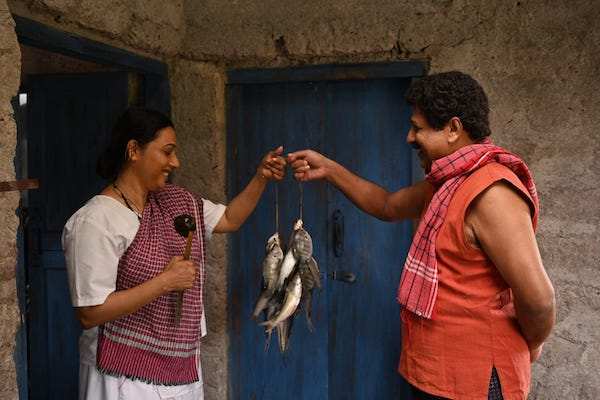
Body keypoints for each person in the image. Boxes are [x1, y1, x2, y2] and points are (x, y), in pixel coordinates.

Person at [288, 71, 555, 399]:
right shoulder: (445, 184)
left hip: (474, 380)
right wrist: (330, 169)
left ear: (454, 129)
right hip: (433, 372)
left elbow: (539, 299)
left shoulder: (492, 193)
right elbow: (387, 205)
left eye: (418, 128)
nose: (410, 138)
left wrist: (534, 343)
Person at [62, 107, 286, 400]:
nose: (175, 162)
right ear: (133, 150)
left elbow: (230, 218)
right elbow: (90, 313)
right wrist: (165, 282)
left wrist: (261, 178)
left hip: (179, 366)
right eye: (167, 152)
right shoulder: (95, 220)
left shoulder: (173, 202)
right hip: (121, 374)